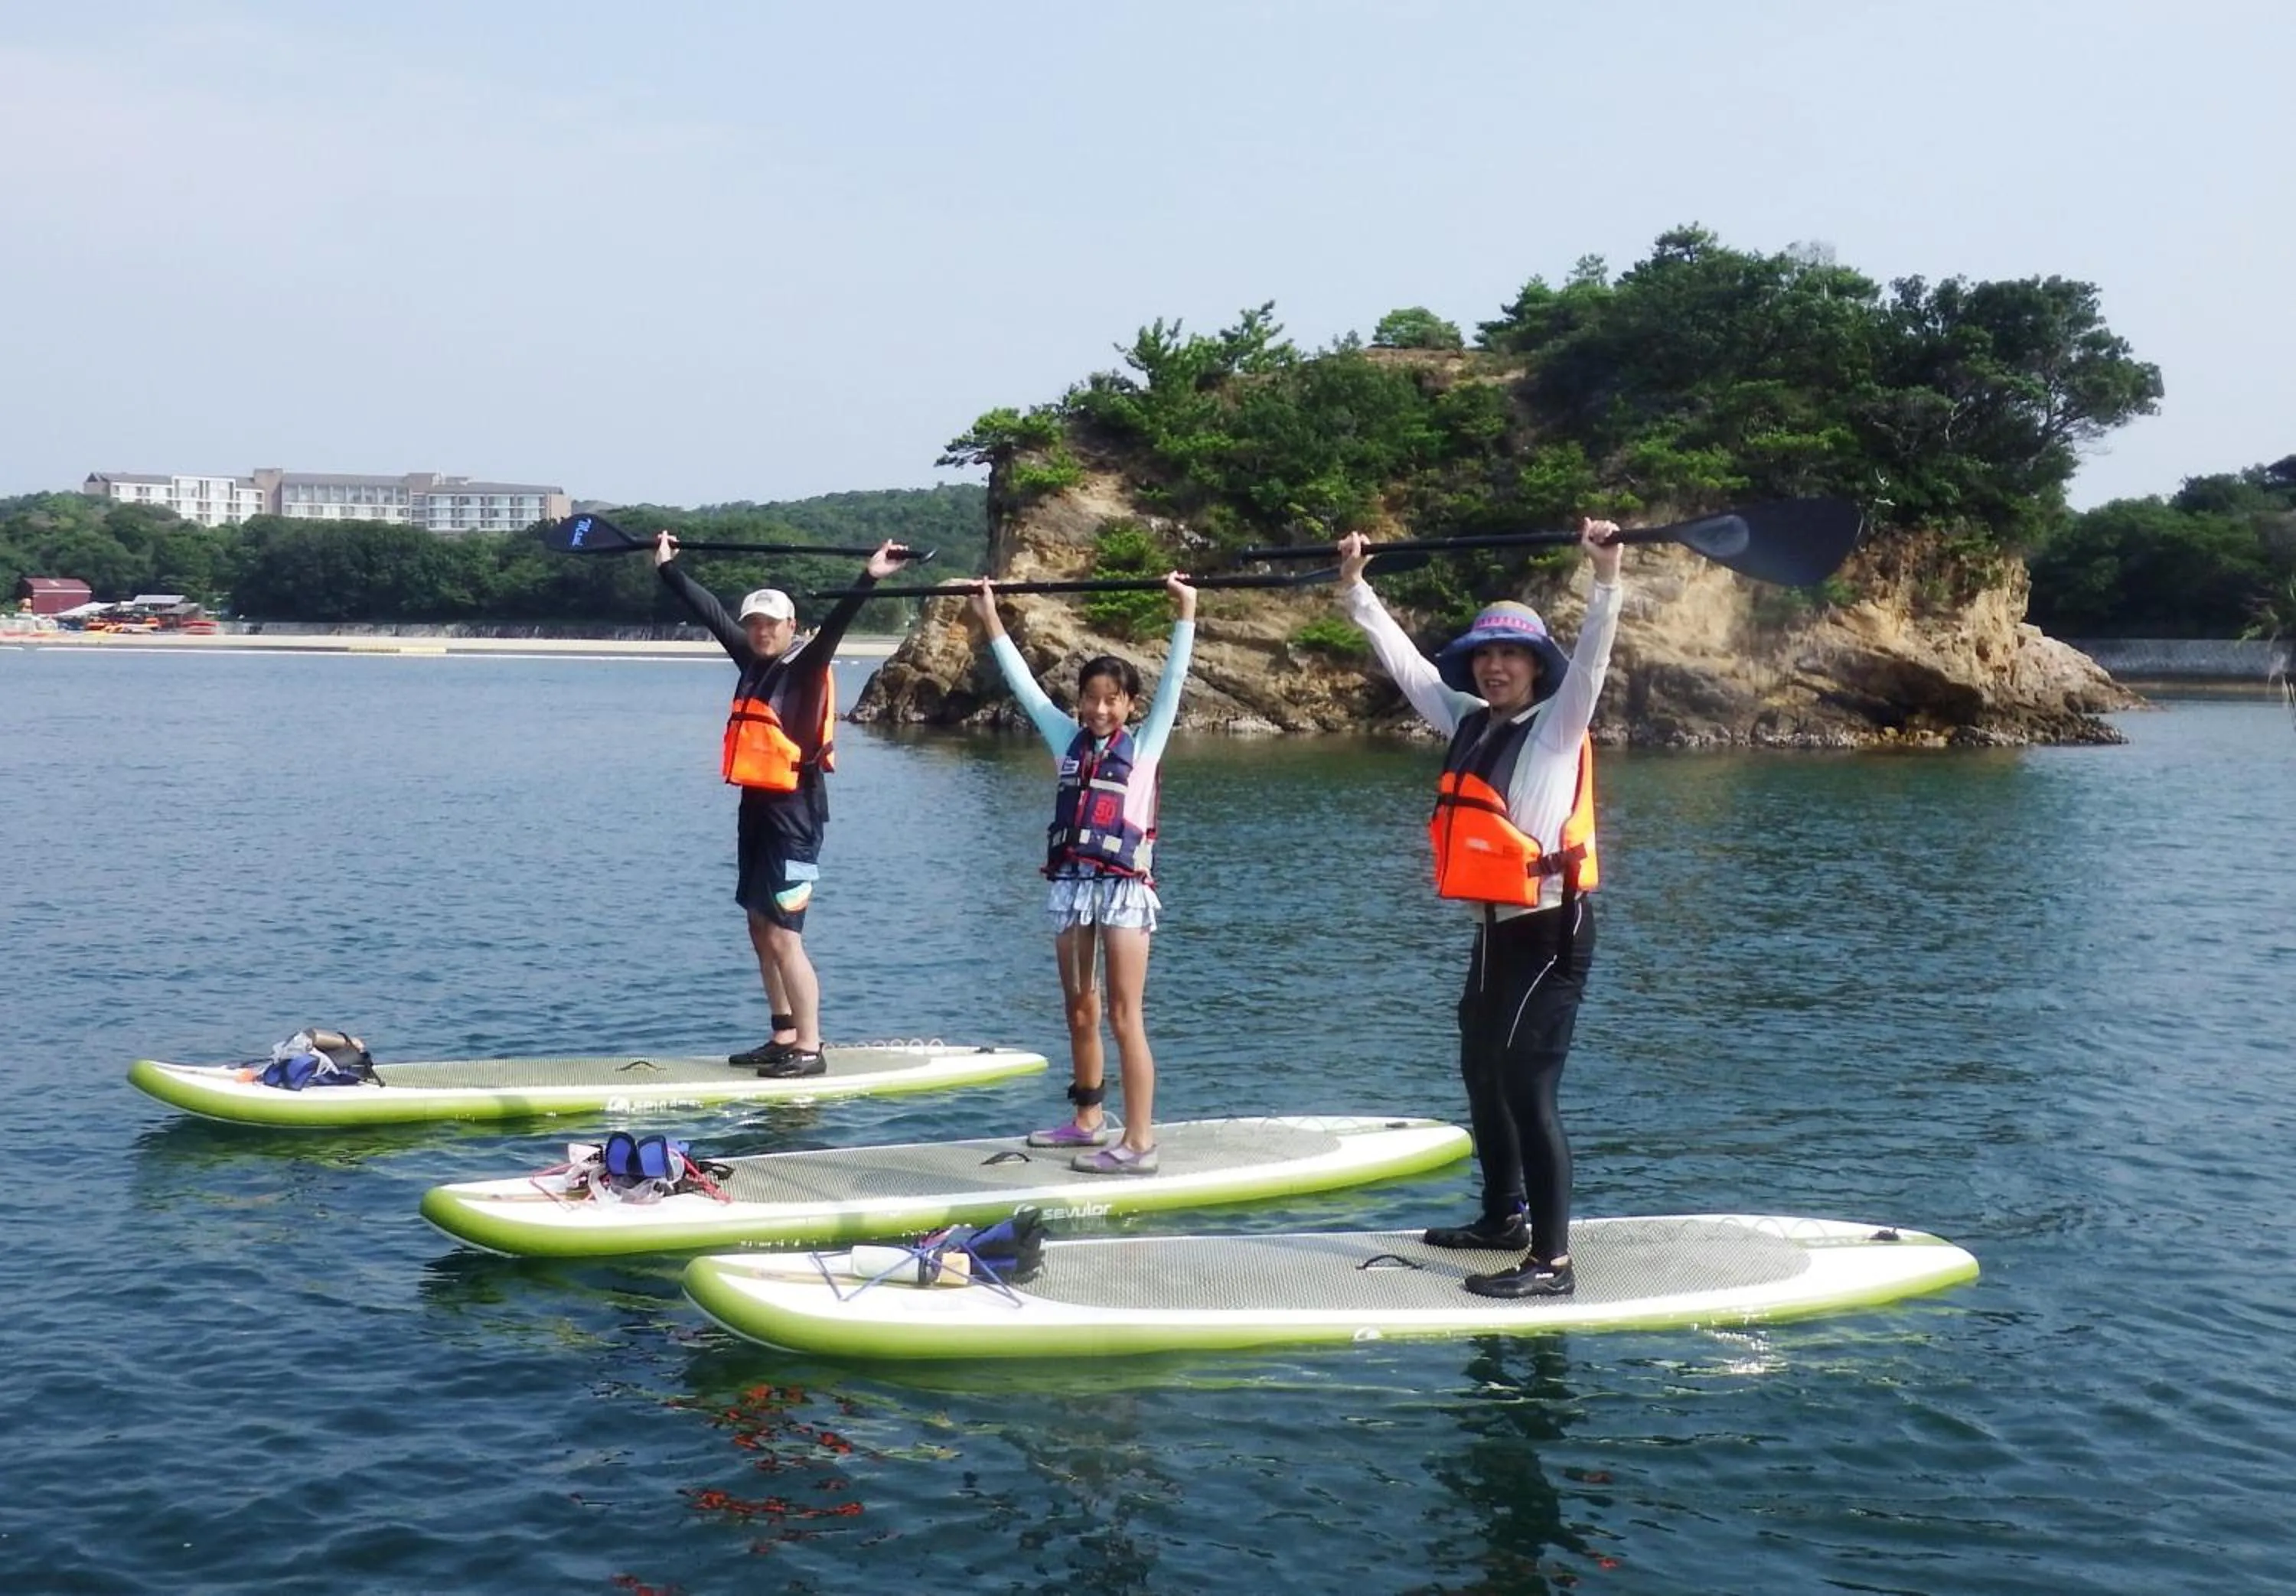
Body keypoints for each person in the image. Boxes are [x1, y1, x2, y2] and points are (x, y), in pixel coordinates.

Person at [1337, 520, 1625, 1298]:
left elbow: (1594, 660)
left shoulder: (1560, 726)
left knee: (1528, 1082)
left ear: (1536, 665)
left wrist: (1605, 578)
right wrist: (1357, 588)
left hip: (1550, 930)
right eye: (1486, 654)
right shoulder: (1468, 720)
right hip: (1494, 933)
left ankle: (1553, 1263)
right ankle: (1503, 1217)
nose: (1496, 666)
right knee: (1480, 1069)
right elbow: (1405, 665)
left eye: (1511, 654)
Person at [967, 572, 1197, 1174]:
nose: (1099, 709)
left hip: (1123, 892)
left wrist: (1186, 611)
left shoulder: (1145, 746)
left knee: (1125, 1014)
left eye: (1111, 699)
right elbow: (1021, 683)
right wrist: (990, 615)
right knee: (1079, 1008)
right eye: (1091, 698)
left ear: (1128, 706)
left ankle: (1140, 1142)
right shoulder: (1064, 738)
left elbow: (1174, 680)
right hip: (1072, 889)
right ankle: (1089, 1119)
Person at [654, 529, 908, 1075]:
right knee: (756, 924)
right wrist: (669, 570)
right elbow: (709, 613)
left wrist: (869, 576)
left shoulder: (809, 665)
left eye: (772, 622)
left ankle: (810, 1048)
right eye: (755, 623)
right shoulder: (750, 660)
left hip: (795, 819)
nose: (761, 630)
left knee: (784, 935)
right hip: (756, 812)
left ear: (792, 627)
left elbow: (838, 623)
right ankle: (783, 1031)